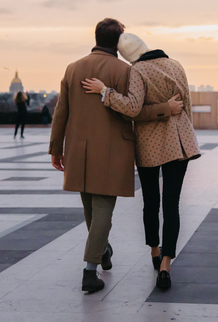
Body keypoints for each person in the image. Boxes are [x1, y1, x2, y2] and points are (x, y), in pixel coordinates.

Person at [49, 19, 183, 294]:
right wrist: (165, 109)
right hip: (111, 151)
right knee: (102, 212)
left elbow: (61, 111)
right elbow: (133, 111)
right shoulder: (125, 70)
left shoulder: (73, 68)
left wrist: (56, 148)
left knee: (90, 210)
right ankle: (90, 270)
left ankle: (101, 250)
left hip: (77, 150)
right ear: (120, 41)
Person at [82, 32, 201, 290]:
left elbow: (133, 108)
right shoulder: (176, 64)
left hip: (149, 145)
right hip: (179, 141)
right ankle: (166, 265)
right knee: (172, 204)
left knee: (151, 203)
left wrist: (105, 92)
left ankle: (155, 253)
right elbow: (187, 105)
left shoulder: (137, 70)